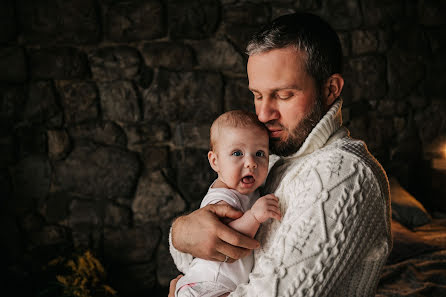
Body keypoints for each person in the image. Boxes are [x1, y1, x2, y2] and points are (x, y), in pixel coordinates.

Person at [169, 12, 392, 297]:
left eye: (283, 95)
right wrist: (182, 232)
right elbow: (195, 261)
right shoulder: (273, 159)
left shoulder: (343, 173)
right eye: (257, 95)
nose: (263, 114)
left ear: (330, 89)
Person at [174, 110, 281, 297]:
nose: (251, 163)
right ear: (215, 161)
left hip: (224, 285)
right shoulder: (222, 197)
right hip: (207, 285)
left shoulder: (250, 191)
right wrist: (254, 216)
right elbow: (226, 238)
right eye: (237, 153)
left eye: (259, 153)